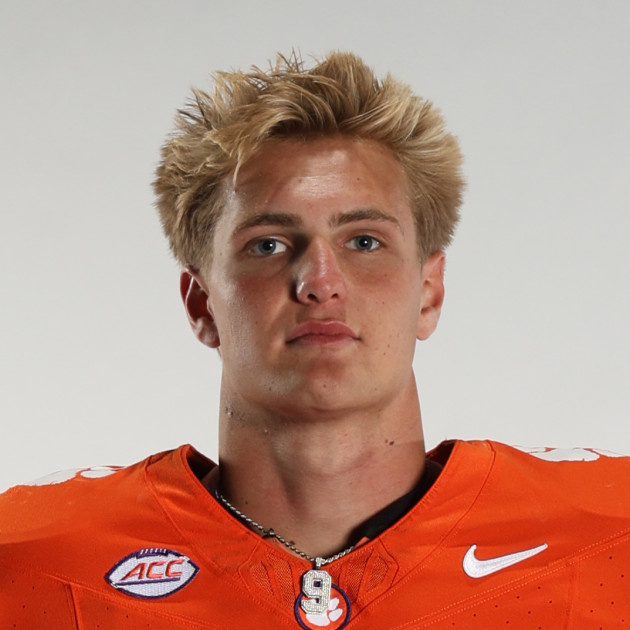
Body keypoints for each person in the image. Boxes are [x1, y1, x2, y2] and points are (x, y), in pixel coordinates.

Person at [1, 51, 629, 629]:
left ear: (429, 292)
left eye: (364, 241)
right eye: (268, 245)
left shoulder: (611, 536)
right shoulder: (31, 558)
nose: (320, 282)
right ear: (201, 303)